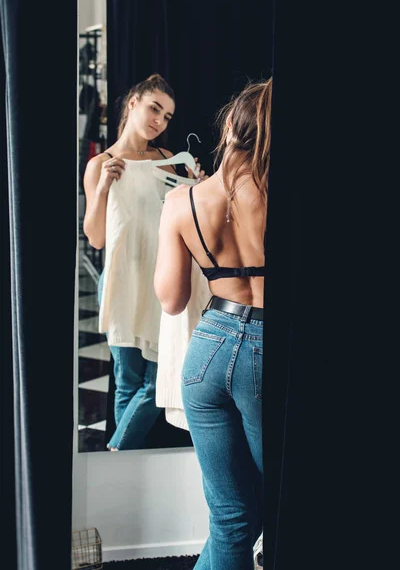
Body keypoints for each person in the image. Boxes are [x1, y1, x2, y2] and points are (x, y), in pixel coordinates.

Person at [154, 77, 272, 569]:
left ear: (228, 126)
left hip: (207, 349)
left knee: (230, 519)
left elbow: (173, 300)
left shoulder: (181, 202)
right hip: (269, 352)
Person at [83, 73, 207, 451]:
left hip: (162, 280)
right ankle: (124, 472)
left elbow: (192, 217)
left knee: (156, 382)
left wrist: (198, 186)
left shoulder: (170, 160)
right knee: (126, 381)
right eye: (155, 108)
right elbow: (96, 237)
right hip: (122, 279)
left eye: (168, 116)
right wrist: (104, 186)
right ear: (133, 104)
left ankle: (115, 452)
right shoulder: (101, 164)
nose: (160, 120)